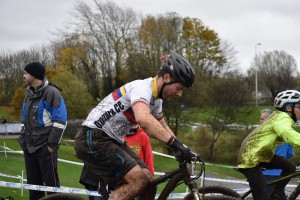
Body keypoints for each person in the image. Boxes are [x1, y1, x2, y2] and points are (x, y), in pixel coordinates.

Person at [75, 50, 195, 200]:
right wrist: (174, 144)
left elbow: (162, 126)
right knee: (137, 180)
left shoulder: (156, 100)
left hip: (112, 140)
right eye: (178, 88)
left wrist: (183, 148)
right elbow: (143, 119)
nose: (179, 94)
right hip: (93, 137)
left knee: (149, 181)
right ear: (166, 77)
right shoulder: (142, 88)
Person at [237, 90, 300, 200]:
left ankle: (276, 194)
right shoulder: (282, 118)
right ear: (289, 108)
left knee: (290, 168)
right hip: (250, 159)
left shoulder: (280, 117)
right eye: (299, 107)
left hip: (262, 156)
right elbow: (287, 133)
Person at [18, 62, 67, 200]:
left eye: (26, 73)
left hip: (45, 148)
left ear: (34, 74)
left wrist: (51, 145)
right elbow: (24, 121)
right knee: (33, 188)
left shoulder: (52, 93)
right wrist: (23, 141)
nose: (24, 76)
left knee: (52, 189)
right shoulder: (28, 94)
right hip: (29, 147)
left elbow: (60, 121)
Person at [79, 124, 155, 200]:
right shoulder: (111, 132)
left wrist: (149, 179)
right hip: (98, 177)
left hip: (126, 178)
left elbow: (148, 161)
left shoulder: (142, 136)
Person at [260, 109, 294, 199]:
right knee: (279, 195)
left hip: (267, 172)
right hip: (282, 172)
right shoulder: (286, 132)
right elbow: (291, 153)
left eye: (262, 119)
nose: (260, 121)